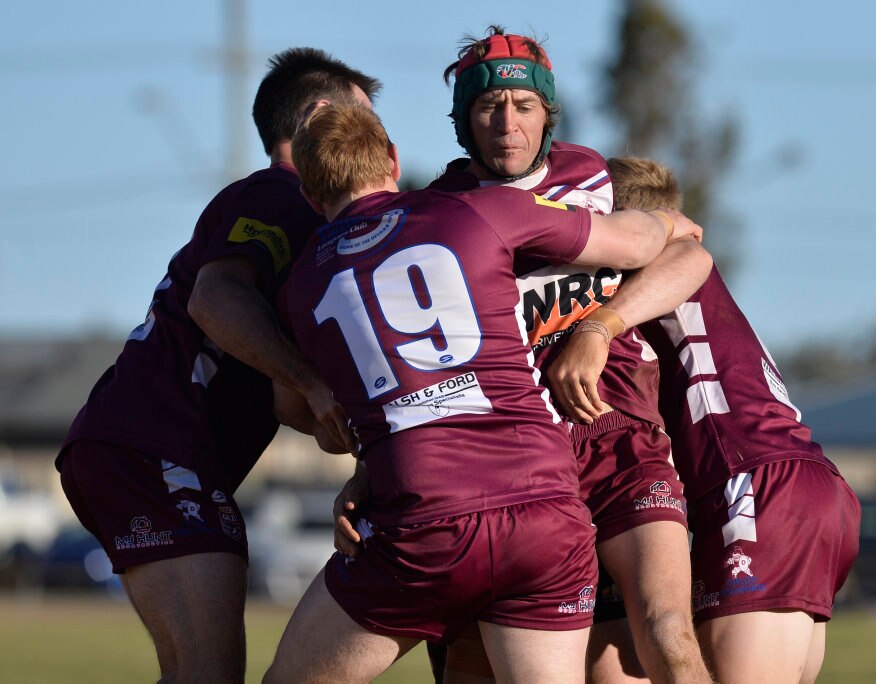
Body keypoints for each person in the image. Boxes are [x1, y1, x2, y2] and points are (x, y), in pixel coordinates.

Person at [262, 102, 698, 683]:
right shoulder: (475, 211)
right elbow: (634, 241)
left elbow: (300, 412)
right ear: (393, 161)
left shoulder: (301, 284)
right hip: (545, 510)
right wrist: (670, 224)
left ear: (313, 200)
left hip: (425, 521)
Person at [56, 48, 379, 682]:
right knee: (208, 670)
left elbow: (283, 398)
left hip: (154, 452)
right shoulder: (281, 192)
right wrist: (312, 384)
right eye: (366, 119)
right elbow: (215, 299)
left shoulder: (307, 224)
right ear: (320, 116)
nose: (378, 138)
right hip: (152, 449)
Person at [410, 27, 713, 683]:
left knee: (668, 633)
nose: (507, 124)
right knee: (473, 665)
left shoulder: (592, 176)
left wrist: (600, 327)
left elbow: (689, 249)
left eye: (524, 106)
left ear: (549, 115)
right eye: (488, 107)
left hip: (617, 440)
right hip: (512, 465)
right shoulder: (437, 214)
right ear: (464, 121)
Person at [565, 156, 862, 683]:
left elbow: (685, 251)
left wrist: (600, 326)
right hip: (795, 482)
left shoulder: (659, 264)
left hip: (750, 481)